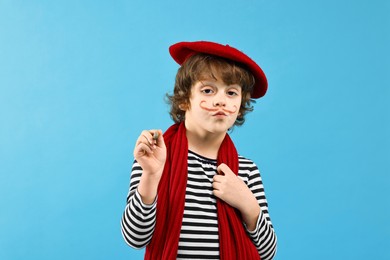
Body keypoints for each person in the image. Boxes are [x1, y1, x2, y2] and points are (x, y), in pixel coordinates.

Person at [121, 41, 277, 260]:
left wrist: (248, 204)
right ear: (185, 100)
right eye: (207, 90)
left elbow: (267, 253)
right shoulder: (155, 158)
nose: (221, 100)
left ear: (241, 104)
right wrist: (151, 176)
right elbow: (134, 238)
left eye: (231, 92)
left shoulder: (246, 170)